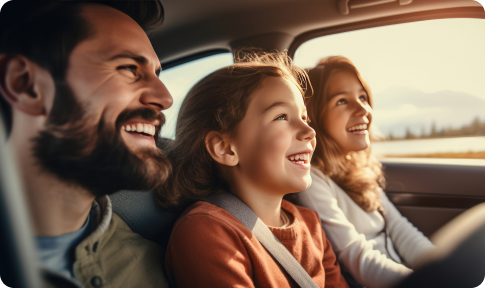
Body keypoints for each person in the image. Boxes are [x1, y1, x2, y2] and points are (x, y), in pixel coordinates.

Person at [0, 1, 173, 287]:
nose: (165, 98)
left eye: (157, 74)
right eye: (129, 68)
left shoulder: (150, 269)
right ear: (25, 84)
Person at [158, 52, 349, 288]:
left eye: (304, 118)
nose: (309, 131)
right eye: (281, 117)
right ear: (225, 148)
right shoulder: (205, 231)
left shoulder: (310, 223)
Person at [294, 56, 435, 288]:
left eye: (362, 97)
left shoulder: (360, 168)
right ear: (315, 117)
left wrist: (442, 268)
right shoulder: (314, 181)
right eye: (341, 101)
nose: (363, 109)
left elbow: (402, 232)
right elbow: (357, 259)